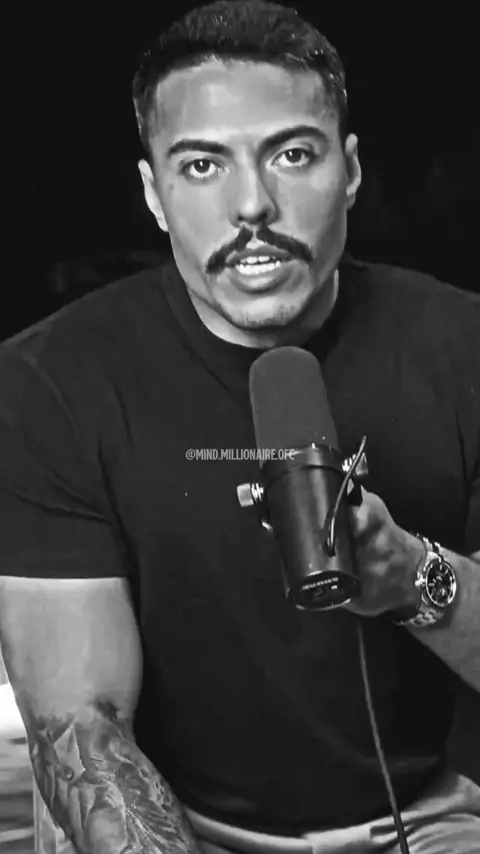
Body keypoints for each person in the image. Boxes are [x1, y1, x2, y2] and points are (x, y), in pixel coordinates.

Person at [0, 2, 479, 852]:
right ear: (153, 194)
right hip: (173, 817)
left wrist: (408, 575)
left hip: (431, 814)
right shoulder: (47, 381)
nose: (253, 204)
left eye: (293, 154)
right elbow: (83, 727)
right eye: (201, 165)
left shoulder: (464, 346)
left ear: (351, 170)